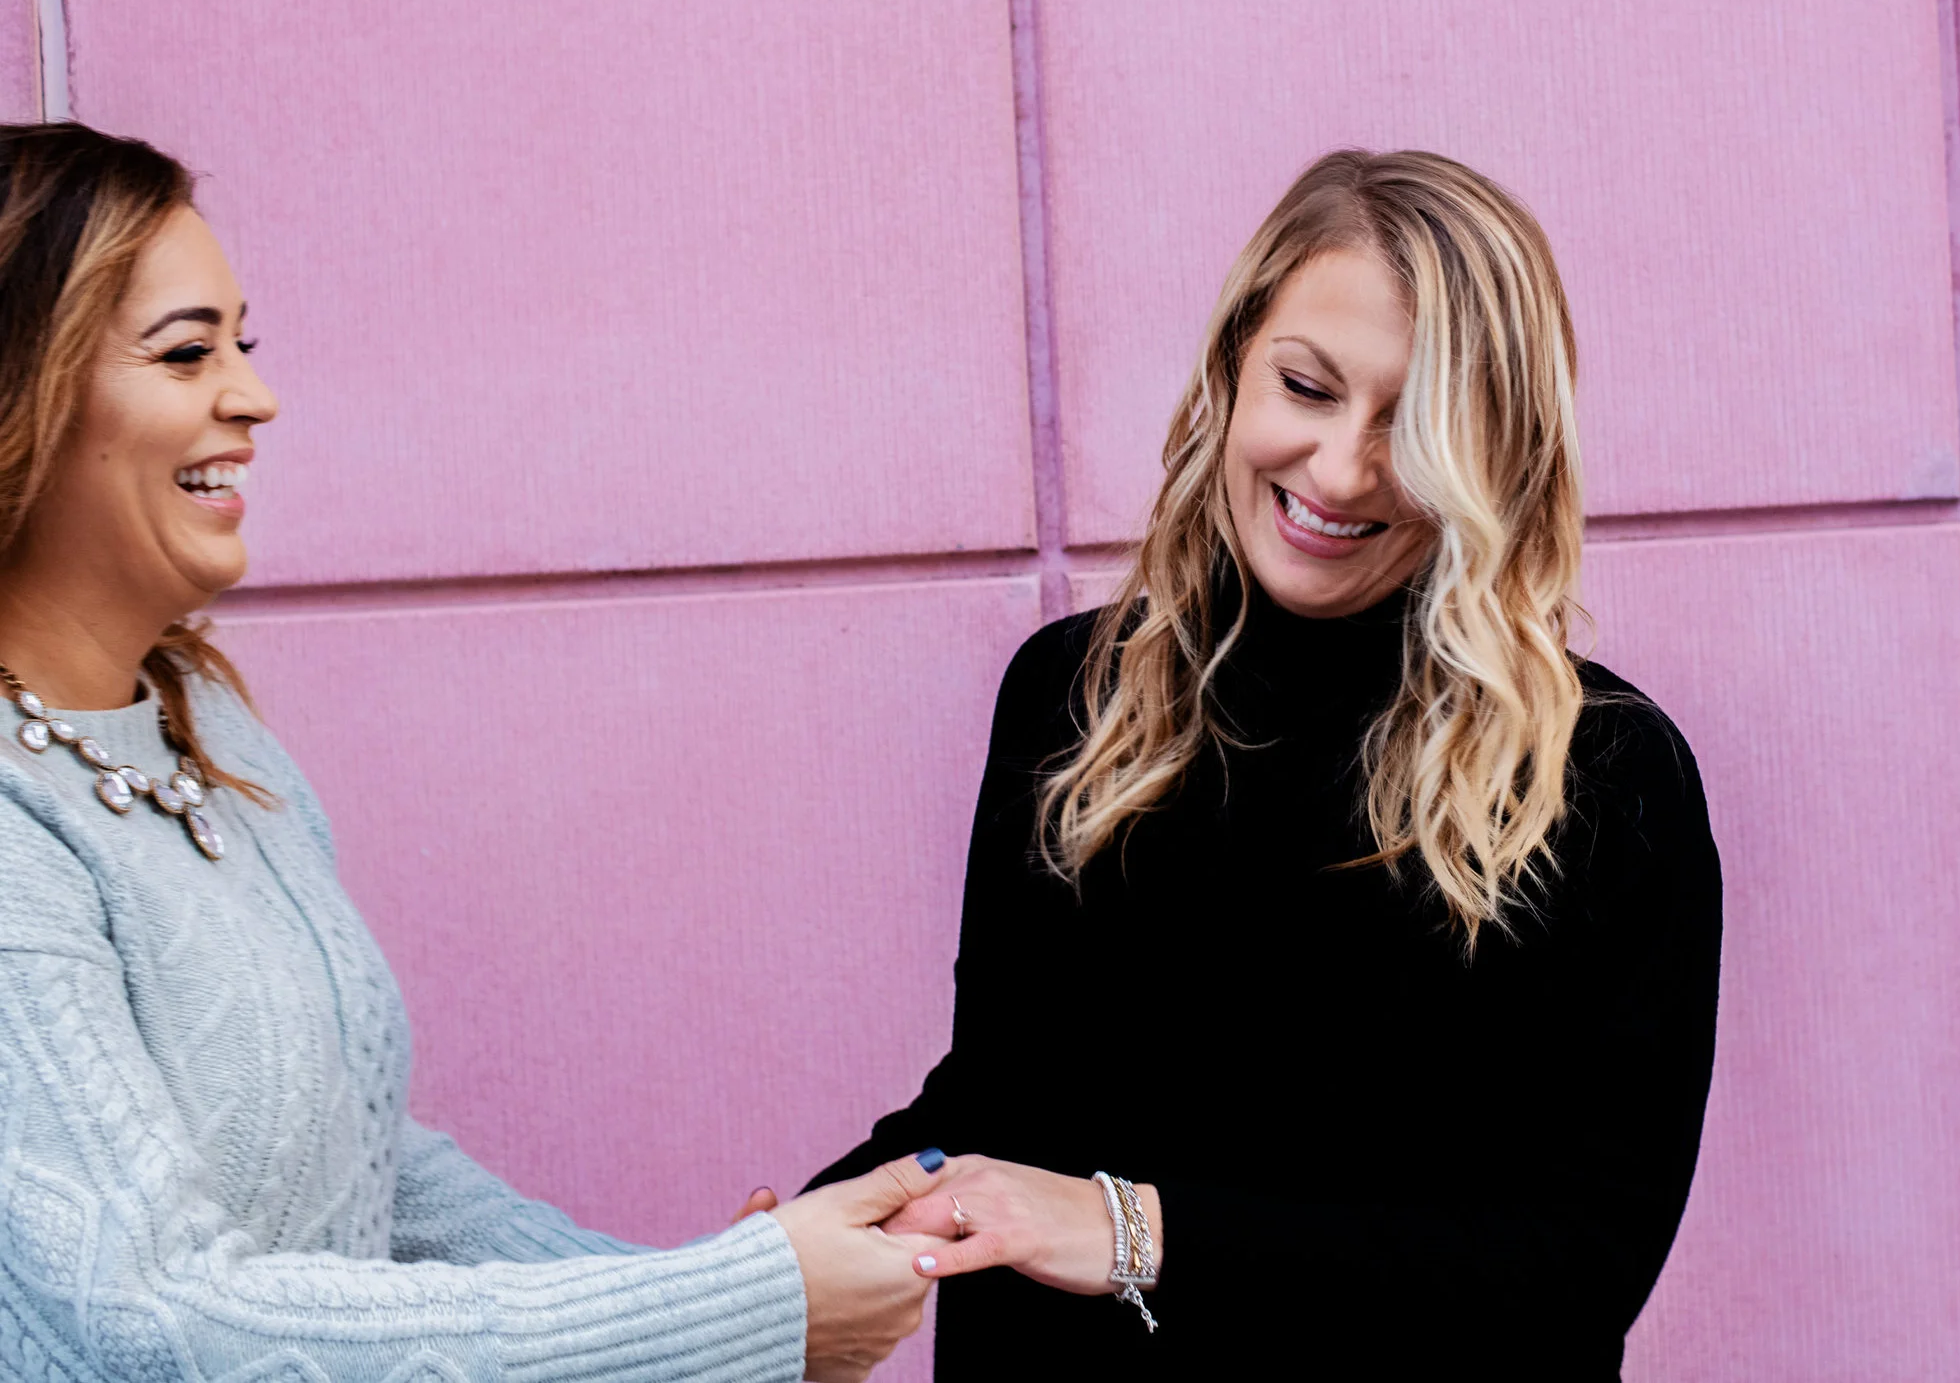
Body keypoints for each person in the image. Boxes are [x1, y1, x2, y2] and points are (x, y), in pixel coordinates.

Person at [0, 122, 947, 1383]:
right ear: (25, 393)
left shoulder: (206, 726)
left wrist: (694, 1301)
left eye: (243, 343)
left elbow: (375, 1169)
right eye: (185, 352)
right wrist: (721, 1316)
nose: (252, 394)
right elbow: (159, 1319)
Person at [796, 149, 1723, 1379]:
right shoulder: (1076, 692)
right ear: (1234, 363)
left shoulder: (1602, 775)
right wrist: (791, 1244)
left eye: (1415, 424)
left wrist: (1136, 1229)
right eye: (1307, 387)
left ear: (1498, 452)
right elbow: (1003, 1099)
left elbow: (1575, 1263)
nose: (1341, 470)